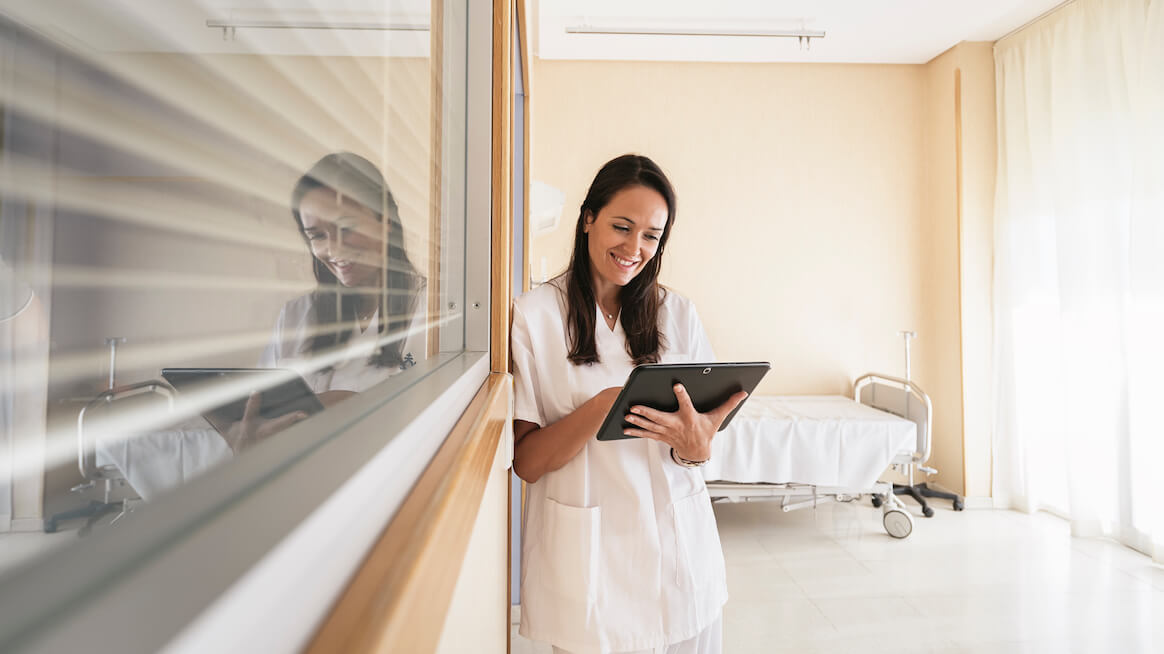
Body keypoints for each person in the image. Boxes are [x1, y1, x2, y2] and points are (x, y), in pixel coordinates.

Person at [511, 154, 747, 654]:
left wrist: (695, 447)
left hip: (678, 553)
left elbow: (699, 448)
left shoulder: (676, 313)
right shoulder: (533, 317)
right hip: (590, 565)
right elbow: (528, 463)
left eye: (650, 236)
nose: (633, 248)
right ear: (588, 218)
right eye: (622, 226)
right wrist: (606, 405)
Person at [102, 152, 426, 498]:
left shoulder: (429, 311)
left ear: (386, 221)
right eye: (316, 235)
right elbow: (260, 406)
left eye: (347, 229)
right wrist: (241, 431)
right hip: (292, 486)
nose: (333, 249)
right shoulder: (299, 315)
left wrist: (354, 406)